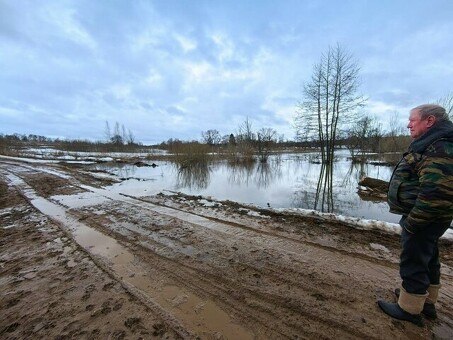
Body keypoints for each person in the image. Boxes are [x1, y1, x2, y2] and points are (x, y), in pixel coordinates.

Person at [378, 104, 453, 326]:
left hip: (424, 217)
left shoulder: (439, 146)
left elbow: (437, 193)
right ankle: (425, 301)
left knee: (413, 259)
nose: (408, 124)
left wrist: (412, 223)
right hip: (429, 217)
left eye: (412, 120)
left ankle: (409, 309)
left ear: (429, 121)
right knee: (427, 256)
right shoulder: (435, 142)